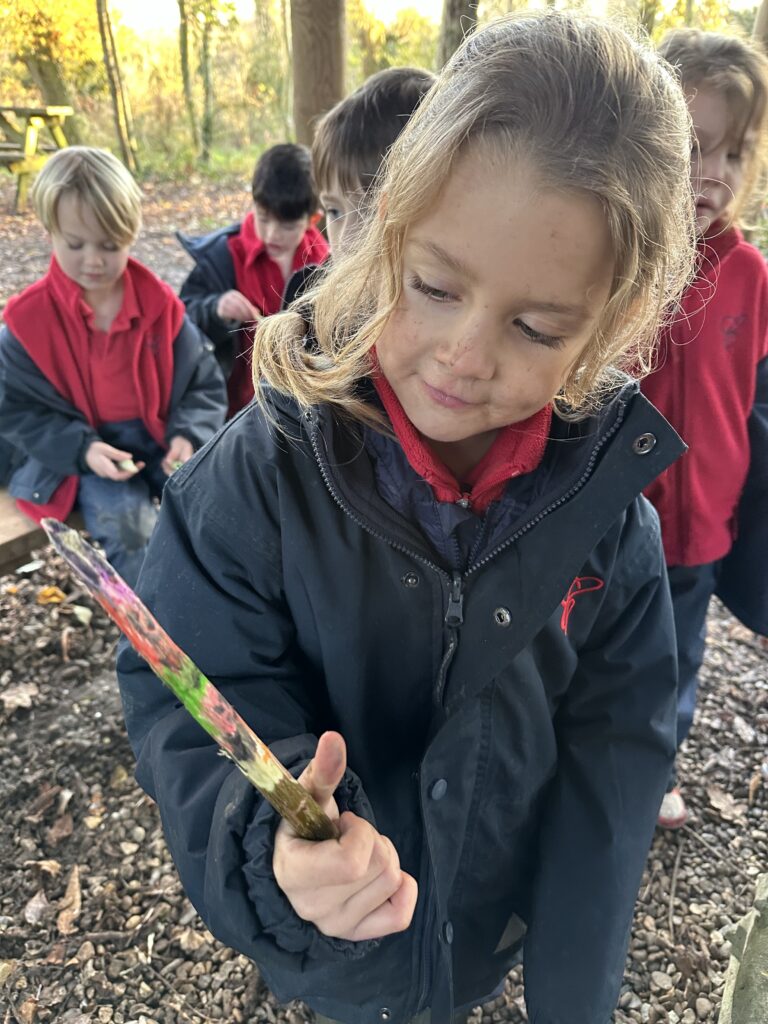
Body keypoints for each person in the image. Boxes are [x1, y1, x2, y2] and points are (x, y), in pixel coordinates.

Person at [116, 13, 696, 1024]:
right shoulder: (254, 482)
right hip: (340, 953)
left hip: (487, 933)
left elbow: (612, 784)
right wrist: (275, 844)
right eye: (433, 285)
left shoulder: (613, 533)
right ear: (383, 230)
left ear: (609, 322)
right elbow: (194, 700)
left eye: (535, 325)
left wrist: (572, 1001)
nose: (465, 355)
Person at [641, 29, 768, 830]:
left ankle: (656, 770)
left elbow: (751, 390)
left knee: (681, 658)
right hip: (626, 515)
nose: (711, 176)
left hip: (707, 520)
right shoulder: (622, 258)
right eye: (692, 150)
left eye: (732, 155)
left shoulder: (753, 275)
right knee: (609, 652)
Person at [0, 147, 227, 587]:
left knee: (219, 510)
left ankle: (223, 615)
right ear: (50, 232)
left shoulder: (162, 308)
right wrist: (82, 449)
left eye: (109, 244)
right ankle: (158, 635)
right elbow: (18, 411)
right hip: (87, 452)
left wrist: (187, 434)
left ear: (130, 234)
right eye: (75, 244)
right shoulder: (26, 326)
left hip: (159, 438)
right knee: (131, 530)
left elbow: (202, 383)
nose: (93, 260)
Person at [177, 143, 329, 414]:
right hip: (234, 409)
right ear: (254, 205)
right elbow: (181, 319)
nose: (272, 235)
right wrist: (216, 308)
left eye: (287, 226)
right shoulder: (223, 257)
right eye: (264, 219)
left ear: (312, 220)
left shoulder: (324, 262)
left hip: (301, 410)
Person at [283, 66, 436, 307]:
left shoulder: (446, 323)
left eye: (371, 213)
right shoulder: (306, 305)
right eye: (335, 211)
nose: (345, 239)